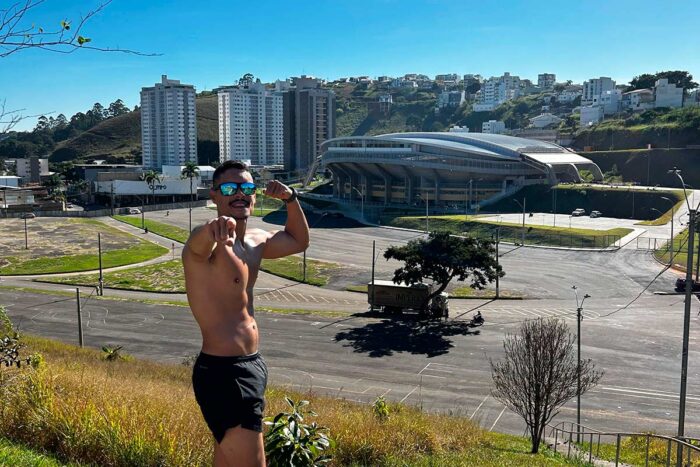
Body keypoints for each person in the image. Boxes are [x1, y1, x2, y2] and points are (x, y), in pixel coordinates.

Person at [182, 160, 309, 467]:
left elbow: (299, 241)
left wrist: (291, 199)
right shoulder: (207, 248)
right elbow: (196, 244)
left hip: (249, 365)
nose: (239, 194)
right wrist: (214, 230)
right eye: (229, 188)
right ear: (213, 195)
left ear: (254, 195)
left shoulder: (255, 242)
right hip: (226, 374)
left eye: (246, 188)